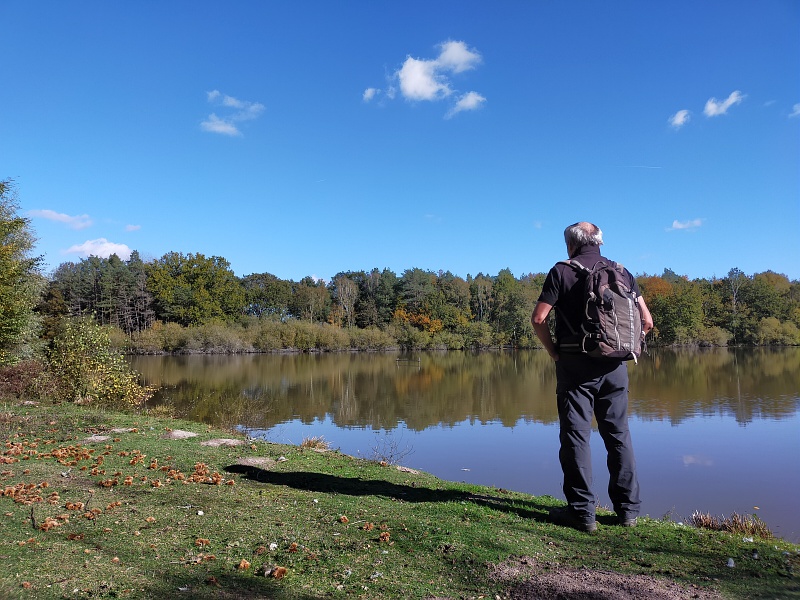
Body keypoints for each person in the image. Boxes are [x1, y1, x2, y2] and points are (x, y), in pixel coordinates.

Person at [531, 221, 653, 533]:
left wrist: (553, 351)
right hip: (616, 366)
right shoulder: (622, 272)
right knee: (618, 435)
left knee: (576, 437)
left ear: (570, 244)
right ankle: (628, 512)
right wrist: (626, 346)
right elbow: (647, 321)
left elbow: (539, 318)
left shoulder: (562, 271)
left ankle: (583, 513)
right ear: (599, 241)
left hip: (575, 366)